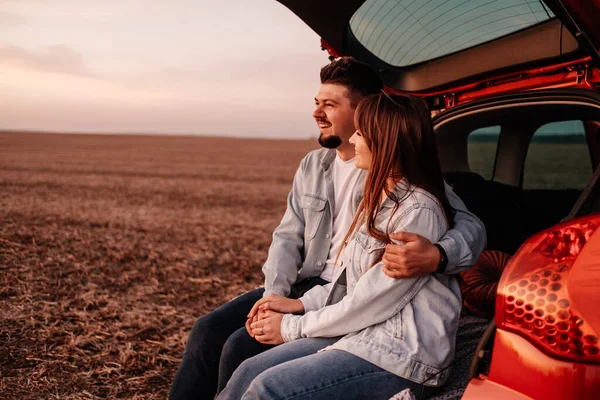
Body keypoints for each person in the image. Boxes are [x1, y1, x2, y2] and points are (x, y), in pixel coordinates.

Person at [169, 57, 486, 400]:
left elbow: (466, 224)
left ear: (367, 113)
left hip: (357, 302)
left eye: (330, 105)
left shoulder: (404, 189)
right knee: (207, 332)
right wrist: (275, 295)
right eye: (316, 103)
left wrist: (437, 255)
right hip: (316, 284)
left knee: (240, 350)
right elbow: (287, 235)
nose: (317, 113)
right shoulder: (314, 165)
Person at [219, 92, 460, 400]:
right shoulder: (377, 200)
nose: (354, 139)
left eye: (361, 133)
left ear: (383, 141)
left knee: (268, 389)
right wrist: (300, 303)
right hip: (365, 335)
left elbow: (368, 302)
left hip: (402, 356)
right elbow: (350, 279)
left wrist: (291, 328)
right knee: (248, 371)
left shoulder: (417, 212)